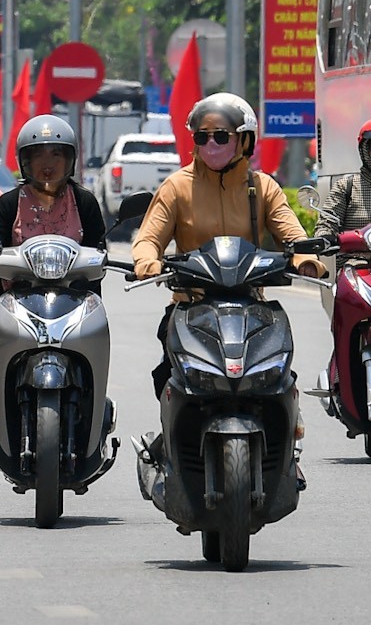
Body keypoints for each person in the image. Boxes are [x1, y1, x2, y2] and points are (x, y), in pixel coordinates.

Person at [131, 93, 323, 402]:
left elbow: (292, 233)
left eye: (221, 136)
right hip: (191, 305)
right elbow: (149, 238)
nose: (210, 145)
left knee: (278, 372)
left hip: (250, 304)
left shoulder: (263, 187)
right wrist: (146, 261)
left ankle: (287, 421)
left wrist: (305, 257)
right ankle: (172, 437)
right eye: (201, 136)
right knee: (172, 378)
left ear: (244, 140)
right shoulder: (177, 186)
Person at [0, 116, 108, 326]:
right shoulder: (9, 202)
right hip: (18, 301)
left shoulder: (84, 201)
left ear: (71, 159)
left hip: (74, 301)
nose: (48, 164)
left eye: (57, 155)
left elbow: (99, 250)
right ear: (25, 161)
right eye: (38, 155)